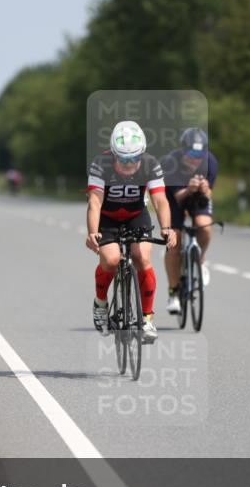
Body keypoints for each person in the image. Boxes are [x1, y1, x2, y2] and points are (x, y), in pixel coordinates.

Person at [86, 121, 177, 343]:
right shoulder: (101, 164)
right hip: (107, 217)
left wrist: (166, 228)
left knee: (142, 257)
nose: (129, 164)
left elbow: (160, 200)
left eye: (134, 158)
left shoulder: (150, 164)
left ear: (142, 154)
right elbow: (95, 204)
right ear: (114, 154)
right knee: (111, 259)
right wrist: (92, 233)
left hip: (136, 215)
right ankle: (100, 303)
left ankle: (146, 319)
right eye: (123, 159)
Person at [160, 127, 218, 315]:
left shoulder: (210, 162)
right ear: (183, 150)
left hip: (197, 196)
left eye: (199, 154)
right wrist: (189, 188)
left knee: (204, 227)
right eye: (191, 154)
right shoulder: (170, 163)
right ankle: (173, 293)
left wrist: (205, 189)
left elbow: (209, 194)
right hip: (175, 196)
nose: (195, 159)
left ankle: (199, 260)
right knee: (174, 240)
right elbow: (178, 197)